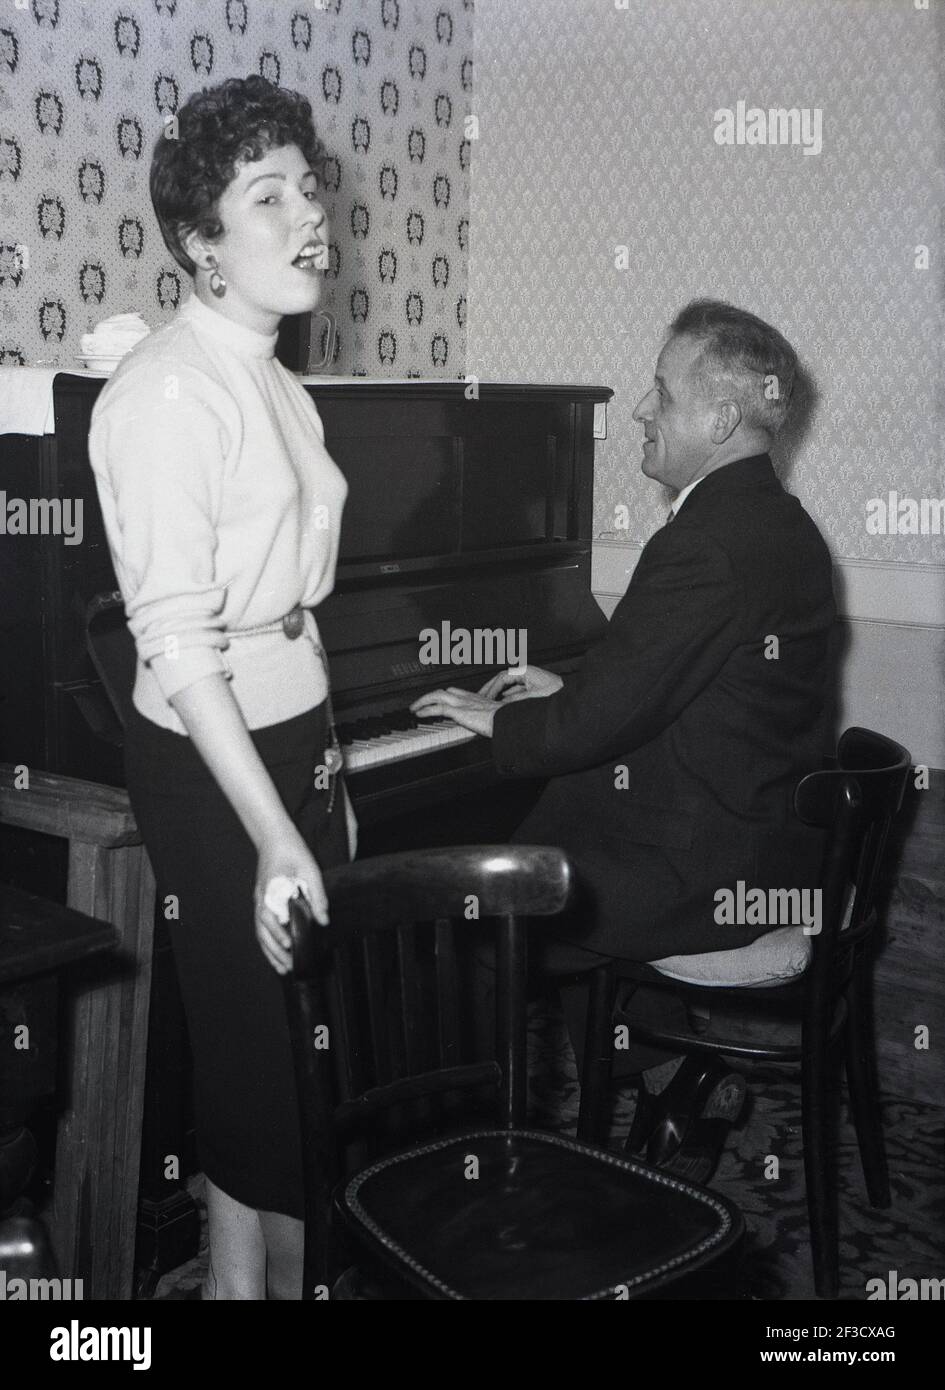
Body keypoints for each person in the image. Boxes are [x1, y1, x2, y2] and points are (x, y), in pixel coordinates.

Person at [412, 300, 836, 1170]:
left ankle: (466, 1160)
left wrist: (501, 719)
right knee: (558, 836)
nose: (641, 411)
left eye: (660, 392)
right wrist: (575, 686)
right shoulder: (777, 525)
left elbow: (595, 726)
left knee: (471, 904)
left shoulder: (707, 539)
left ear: (720, 419)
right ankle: (671, 1076)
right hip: (753, 841)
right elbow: (679, 686)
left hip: (708, 865)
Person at [88, 75, 352, 1299]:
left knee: (266, 1073)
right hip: (214, 762)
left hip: (287, 735)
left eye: (309, 187)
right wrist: (273, 832)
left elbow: (288, 607)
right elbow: (182, 649)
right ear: (201, 244)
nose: (310, 214)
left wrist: (319, 780)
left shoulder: (275, 380)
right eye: (269, 194)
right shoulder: (167, 394)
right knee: (277, 1086)